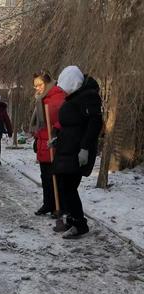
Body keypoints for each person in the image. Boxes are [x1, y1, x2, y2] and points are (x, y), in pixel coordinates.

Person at [52, 66, 103, 238]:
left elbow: (94, 124)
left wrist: (85, 148)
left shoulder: (88, 98)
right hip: (67, 149)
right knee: (66, 187)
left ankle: (80, 224)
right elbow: (69, 127)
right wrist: (58, 139)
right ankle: (73, 219)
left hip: (77, 151)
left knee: (70, 187)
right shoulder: (74, 98)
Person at [29, 70, 66, 216]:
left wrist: (56, 134)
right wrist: (37, 138)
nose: (37, 88)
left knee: (55, 178)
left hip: (53, 144)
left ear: (48, 83)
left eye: (39, 85)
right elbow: (41, 125)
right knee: (45, 177)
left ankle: (59, 206)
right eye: (35, 86)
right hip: (43, 143)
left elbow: (62, 120)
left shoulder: (57, 98)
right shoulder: (41, 99)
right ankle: (48, 204)